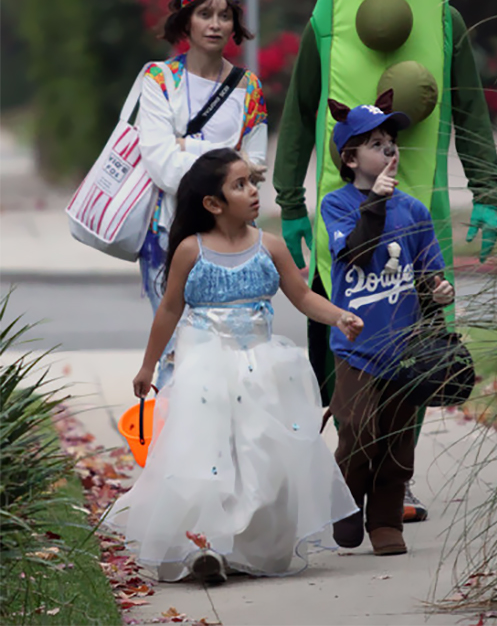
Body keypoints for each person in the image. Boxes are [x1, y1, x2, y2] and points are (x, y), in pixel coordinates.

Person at [273, 0, 497, 522]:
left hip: (414, 218)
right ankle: (354, 461)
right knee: (337, 344)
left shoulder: (443, 26)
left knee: (419, 348)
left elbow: (469, 114)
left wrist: (484, 191)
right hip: (341, 222)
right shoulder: (328, 30)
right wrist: (290, 203)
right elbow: (298, 112)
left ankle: (391, 481)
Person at [106, 148, 363, 583]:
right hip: (205, 369)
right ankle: (202, 546)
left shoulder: (271, 246)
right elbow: (169, 309)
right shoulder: (191, 250)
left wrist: (338, 314)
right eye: (240, 184)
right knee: (205, 457)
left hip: (263, 368)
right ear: (213, 202)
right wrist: (148, 366)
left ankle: (250, 546)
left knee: (261, 455)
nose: (253, 192)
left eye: (252, 183)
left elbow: (302, 297)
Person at [320, 91, 455, 556]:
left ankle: (384, 520)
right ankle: (344, 503)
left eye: (391, 141)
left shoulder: (414, 211)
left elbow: (427, 273)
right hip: (357, 345)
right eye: (376, 143)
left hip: (405, 348)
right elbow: (356, 251)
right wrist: (373, 204)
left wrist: (437, 292)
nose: (389, 150)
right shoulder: (337, 206)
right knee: (357, 430)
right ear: (351, 157)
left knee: (398, 441)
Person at [136, 0, 268, 390]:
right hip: (169, 237)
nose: (215, 24)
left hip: (234, 241)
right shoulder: (159, 81)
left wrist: (187, 147)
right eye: (204, 14)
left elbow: (259, 164)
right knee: (180, 354)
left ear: (235, 24)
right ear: (186, 21)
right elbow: (161, 165)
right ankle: (178, 449)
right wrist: (231, 161)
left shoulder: (248, 88)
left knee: (238, 360)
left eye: (224, 15)